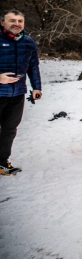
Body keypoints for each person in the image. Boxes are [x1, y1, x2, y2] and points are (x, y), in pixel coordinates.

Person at [0, 10, 42, 176]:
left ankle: (2, 162)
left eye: (20, 21)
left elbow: (33, 67)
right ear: (2, 22)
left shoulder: (29, 43)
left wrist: (36, 87)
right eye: (12, 20)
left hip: (17, 95)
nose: (16, 24)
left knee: (9, 130)